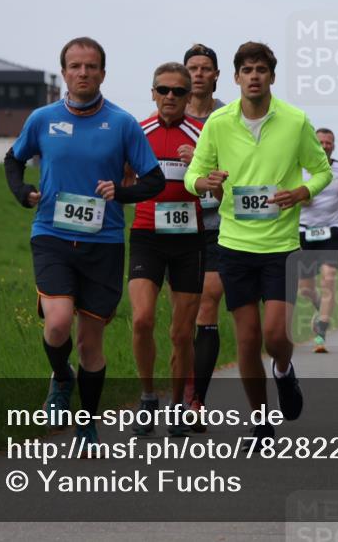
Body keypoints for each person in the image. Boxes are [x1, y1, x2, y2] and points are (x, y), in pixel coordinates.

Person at [3, 37, 165, 447]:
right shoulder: (42, 119)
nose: (83, 73)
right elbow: (13, 159)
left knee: (91, 344)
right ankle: (61, 377)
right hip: (52, 235)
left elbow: (154, 180)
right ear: (64, 72)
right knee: (58, 323)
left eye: (91, 66)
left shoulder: (122, 123)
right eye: (75, 66)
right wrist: (22, 192)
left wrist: (120, 192)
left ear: (103, 74)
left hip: (103, 243)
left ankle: (87, 426)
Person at [184, 41, 332, 440]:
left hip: (280, 247)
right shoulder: (219, 123)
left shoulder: (295, 121)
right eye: (247, 70)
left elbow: (321, 171)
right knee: (247, 341)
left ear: (271, 76)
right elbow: (193, 173)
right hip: (234, 245)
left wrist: (301, 192)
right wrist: (204, 182)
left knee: (276, 335)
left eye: (261, 70)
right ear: (235, 78)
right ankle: (261, 421)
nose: (254, 77)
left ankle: (283, 370)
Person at [128, 62, 205, 437]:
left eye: (178, 91)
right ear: (153, 93)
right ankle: (147, 397)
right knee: (142, 319)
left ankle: (177, 405)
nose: (170, 96)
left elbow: (223, 188)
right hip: (147, 235)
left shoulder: (204, 135)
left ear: (189, 96)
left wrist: (200, 166)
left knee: (181, 332)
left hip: (189, 239)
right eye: (163, 90)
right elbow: (121, 179)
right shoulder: (138, 132)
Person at [182, 44, 227, 431]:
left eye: (205, 68)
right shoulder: (169, 114)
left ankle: (196, 399)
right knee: (182, 315)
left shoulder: (230, 117)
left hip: (217, 226)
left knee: (208, 302)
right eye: (192, 68)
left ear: (216, 75)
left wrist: (198, 160)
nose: (198, 74)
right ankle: (178, 393)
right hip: (175, 227)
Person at [298, 128, 338, 354]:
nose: (324, 146)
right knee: (305, 289)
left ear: (334, 145)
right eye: (320, 142)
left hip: (332, 229)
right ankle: (322, 308)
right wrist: (302, 198)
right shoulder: (300, 168)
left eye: (329, 142)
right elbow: (292, 195)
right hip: (304, 230)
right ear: (313, 143)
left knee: (329, 278)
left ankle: (321, 333)